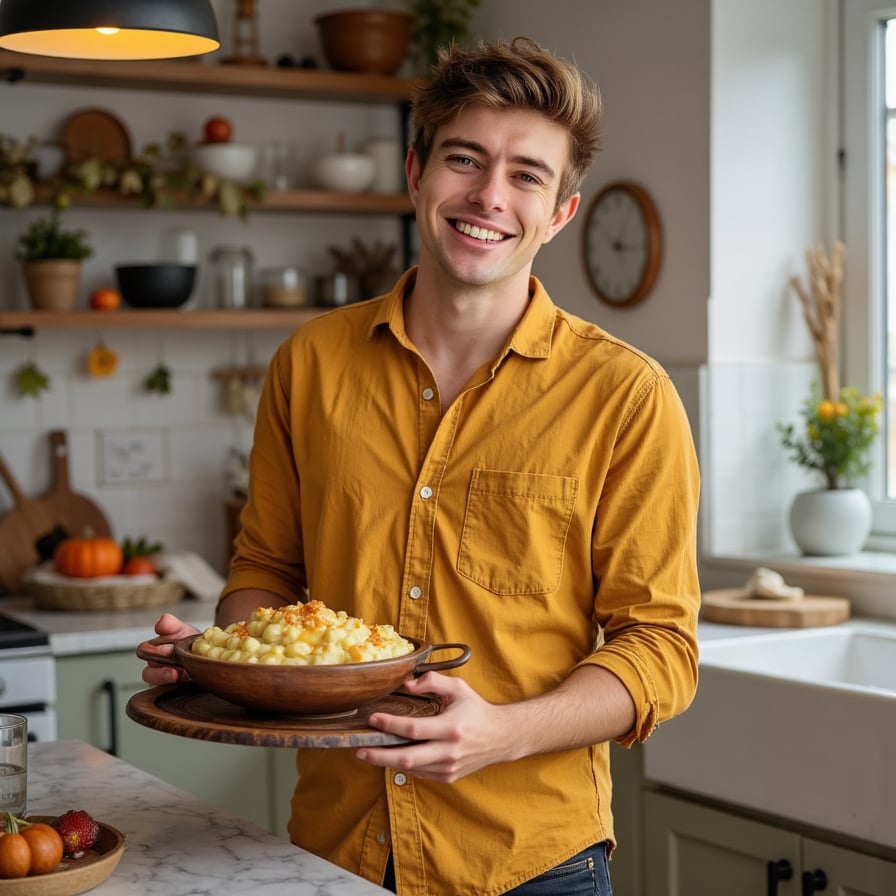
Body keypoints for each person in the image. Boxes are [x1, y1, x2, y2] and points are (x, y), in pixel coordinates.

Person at [139, 36, 701, 896]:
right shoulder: (311, 363)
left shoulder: (626, 397)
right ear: (415, 173)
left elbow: (659, 649)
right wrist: (235, 656)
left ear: (560, 213)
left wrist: (501, 733)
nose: (488, 196)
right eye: (465, 159)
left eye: (526, 176)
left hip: (530, 862)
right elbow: (265, 571)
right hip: (332, 850)